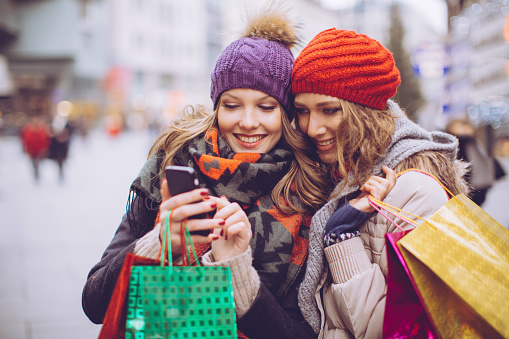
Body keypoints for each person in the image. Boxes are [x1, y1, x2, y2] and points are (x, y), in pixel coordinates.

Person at [83, 9, 325, 338]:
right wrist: (158, 244)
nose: (248, 121)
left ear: (286, 113)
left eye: (266, 107)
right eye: (231, 104)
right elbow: (94, 303)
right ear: (216, 106)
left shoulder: (310, 189)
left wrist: (237, 268)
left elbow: (304, 332)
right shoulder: (173, 166)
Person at [290, 28, 469, 338]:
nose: (312, 127)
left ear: (365, 112)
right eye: (302, 111)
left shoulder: (416, 192)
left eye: (329, 110)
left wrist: (340, 236)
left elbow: (399, 329)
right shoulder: (330, 177)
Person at [445, 117, 506, 206]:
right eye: (463, 126)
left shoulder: (471, 141)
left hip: (476, 184)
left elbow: (486, 159)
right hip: (473, 184)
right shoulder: (462, 142)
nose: (467, 128)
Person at [20, 116, 51, 181]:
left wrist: (44, 148)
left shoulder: (42, 129)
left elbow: (45, 140)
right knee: (34, 162)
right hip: (31, 150)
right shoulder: (28, 130)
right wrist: (26, 149)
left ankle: (37, 171)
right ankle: (36, 171)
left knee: (38, 161)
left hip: (39, 149)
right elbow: (26, 141)